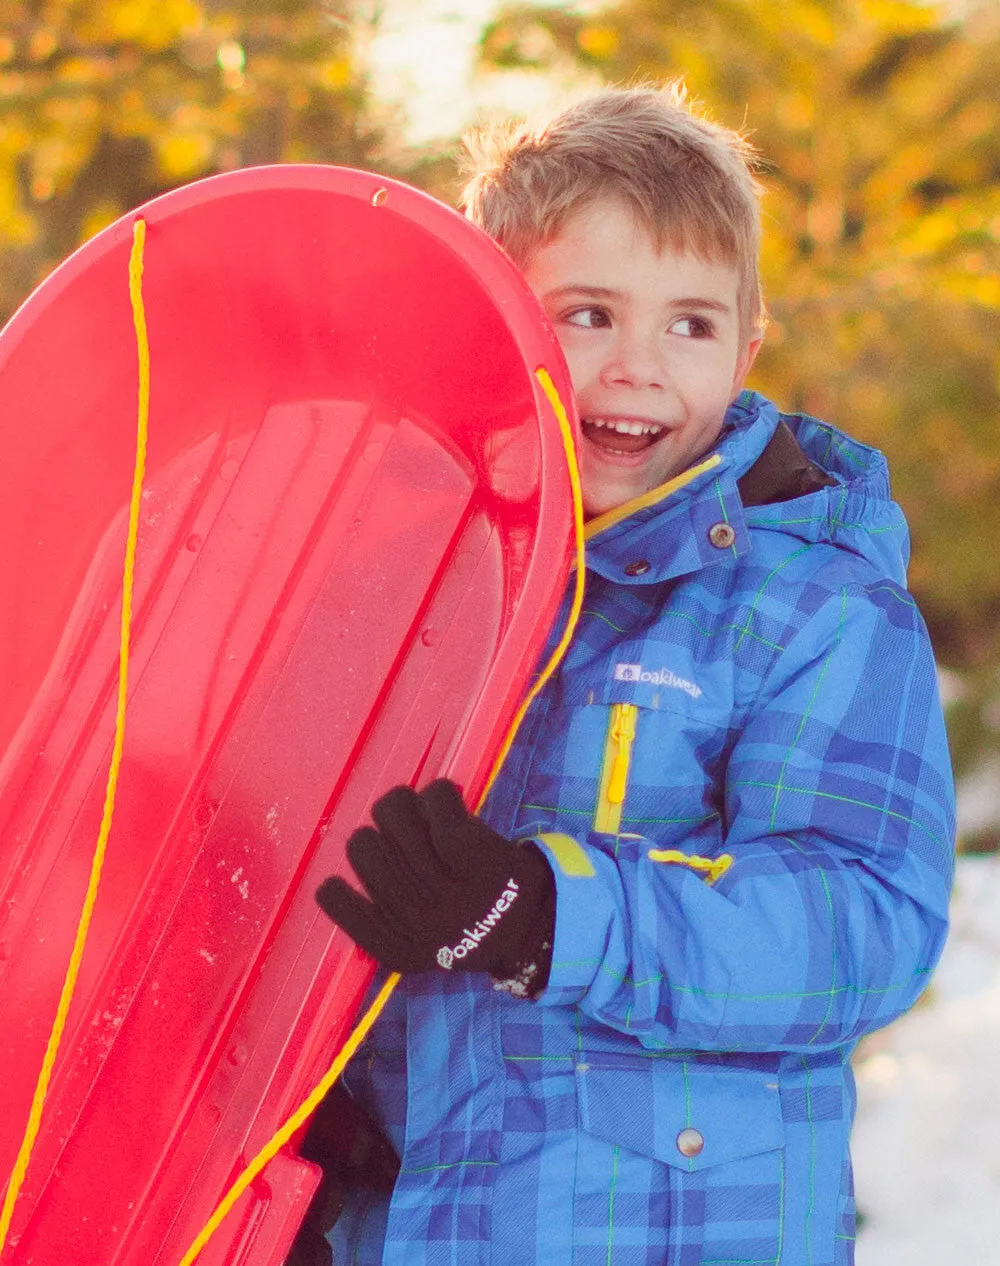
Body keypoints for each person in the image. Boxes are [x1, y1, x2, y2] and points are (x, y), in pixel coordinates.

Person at [293, 83, 956, 1266]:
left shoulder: (815, 605)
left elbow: (856, 928)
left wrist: (546, 916)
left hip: (676, 1234)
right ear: (491, 322)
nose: (640, 366)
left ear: (747, 349)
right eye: (587, 314)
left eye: (690, 325)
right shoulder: (406, 597)